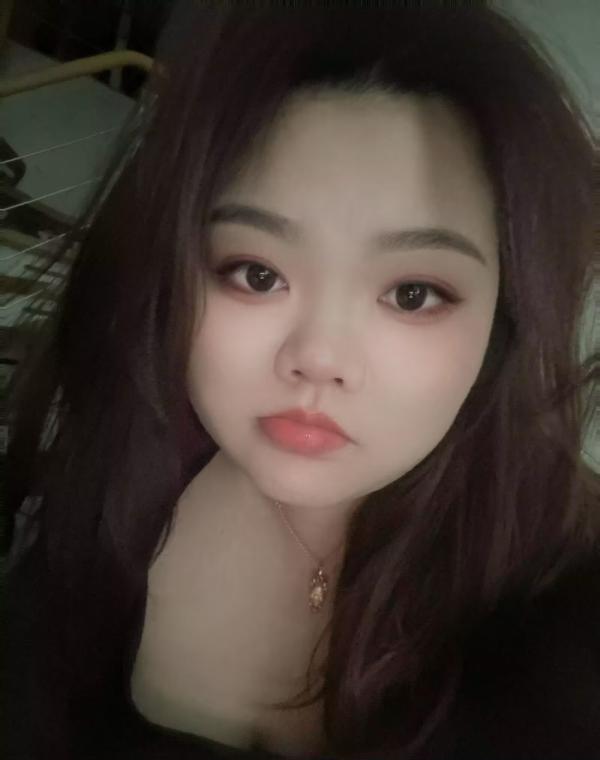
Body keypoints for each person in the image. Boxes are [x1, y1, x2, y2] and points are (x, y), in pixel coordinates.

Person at [4, 3, 600, 759]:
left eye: (412, 293)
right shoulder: (111, 468)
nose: (319, 357)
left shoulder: (566, 604)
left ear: (503, 322)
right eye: (256, 274)